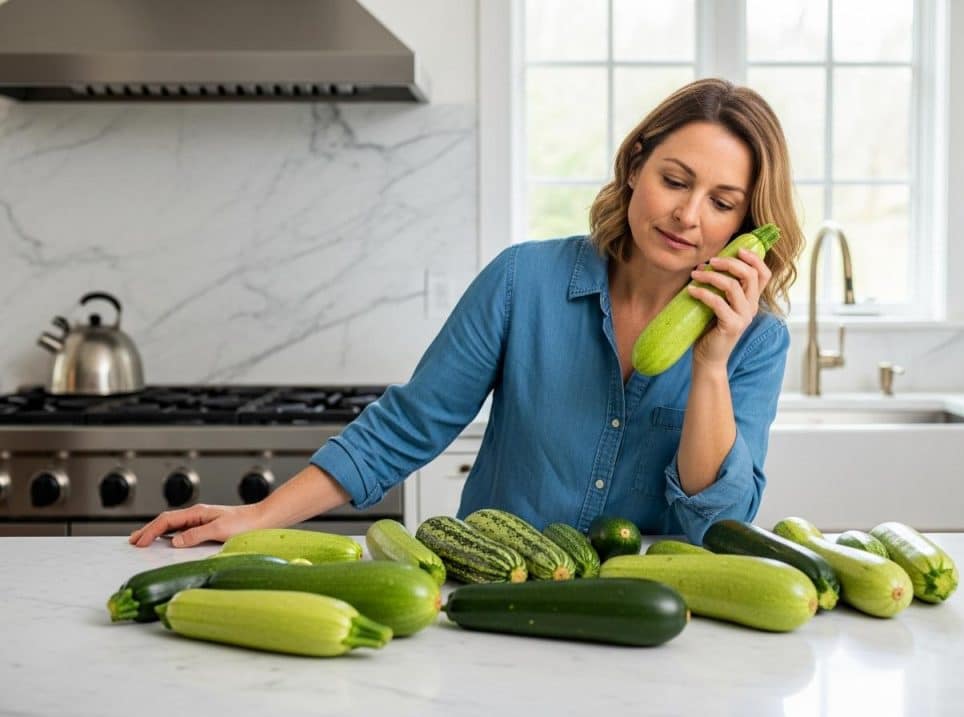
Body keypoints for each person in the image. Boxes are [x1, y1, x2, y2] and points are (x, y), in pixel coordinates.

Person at [130, 77, 803, 550]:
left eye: (721, 201)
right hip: (496, 599)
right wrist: (263, 514)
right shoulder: (524, 280)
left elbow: (715, 526)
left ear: (747, 223)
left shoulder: (757, 341)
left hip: (653, 618)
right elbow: (409, 424)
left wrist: (711, 363)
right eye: (675, 180)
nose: (688, 215)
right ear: (635, 166)